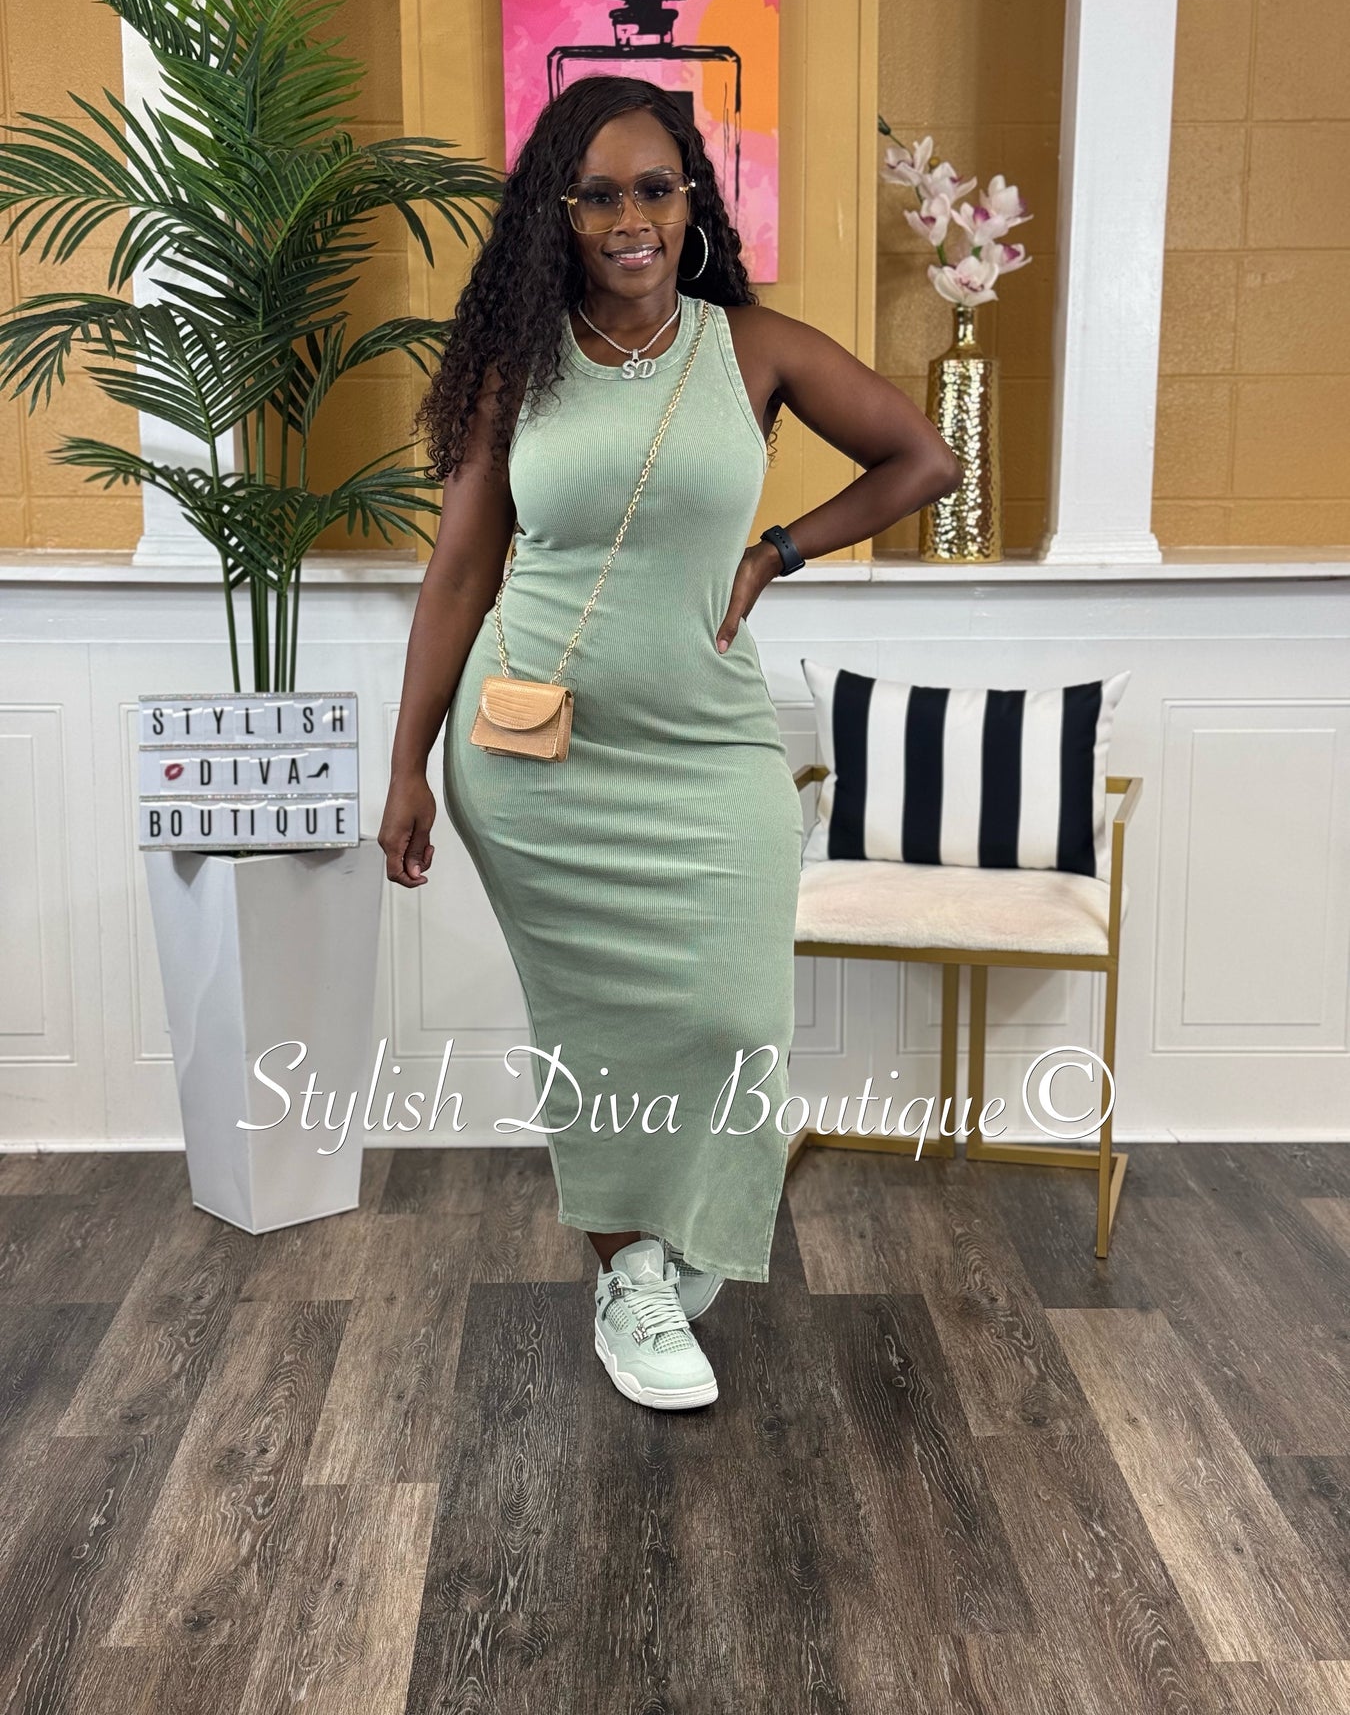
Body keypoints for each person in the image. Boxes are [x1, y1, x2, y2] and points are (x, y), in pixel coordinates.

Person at [378, 74, 961, 1412]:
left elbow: (923, 460)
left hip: (707, 748)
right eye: (597, 196)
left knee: (733, 1017)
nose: (628, 218)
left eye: (654, 188)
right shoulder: (517, 368)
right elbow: (459, 574)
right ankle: (628, 1276)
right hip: (533, 763)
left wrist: (778, 551)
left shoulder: (752, 348)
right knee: (593, 1028)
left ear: (692, 200)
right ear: (558, 213)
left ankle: (670, 1238)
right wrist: (406, 765)